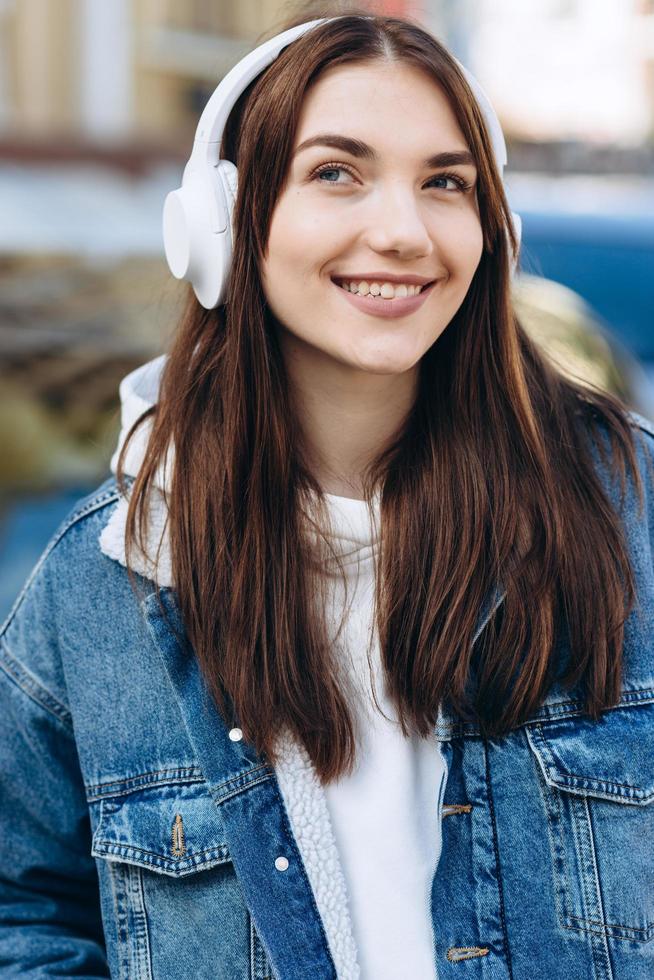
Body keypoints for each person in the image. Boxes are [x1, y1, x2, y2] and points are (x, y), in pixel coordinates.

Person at [1, 10, 653, 980]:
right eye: (336, 172)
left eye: (445, 182)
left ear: (493, 231)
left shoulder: (627, 513)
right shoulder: (99, 590)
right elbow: (26, 906)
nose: (400, 230)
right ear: (224, 223)